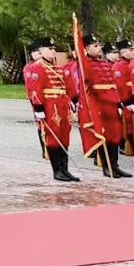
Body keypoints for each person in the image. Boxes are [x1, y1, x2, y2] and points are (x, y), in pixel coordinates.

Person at [23, 39, 78, 182]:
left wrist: (73, 100)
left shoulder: (58, 67)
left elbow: (69, 86)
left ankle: (65, 169)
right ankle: (57, 171)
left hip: (62, 104)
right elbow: (35, 89)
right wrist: (38, 108)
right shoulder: (37, 67)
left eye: (54, 48)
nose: (53, 51)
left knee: (64, 135)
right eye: (49, 48)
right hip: (50, 105)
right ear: (41, 51)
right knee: (53, 137)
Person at [78, 37, 131, 179]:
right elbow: (87, 88)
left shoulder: (104, 63)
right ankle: (107, 166)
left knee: (116, 135)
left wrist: (118, 102)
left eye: (99, 45)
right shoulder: (85, 65)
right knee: (105, 136)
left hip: (112, 103)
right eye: (95, 46)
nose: (99, 48)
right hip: (100, 105)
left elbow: (113, 84)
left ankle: (115, 165)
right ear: (87, 49)